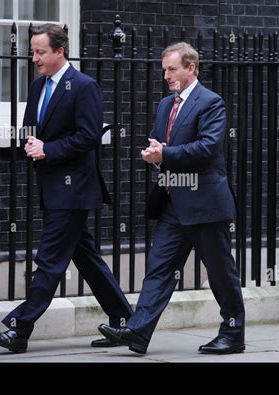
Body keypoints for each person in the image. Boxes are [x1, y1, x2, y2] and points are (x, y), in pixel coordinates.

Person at [0, 24, 133, 353]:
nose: (34, 57)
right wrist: (30, 142)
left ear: (59, 52)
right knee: (89, 259)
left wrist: (48, 149)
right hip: (52, 186)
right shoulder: (39, 87)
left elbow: (89, 136)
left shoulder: (83, 86)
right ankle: (126, 323)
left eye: (40, 52)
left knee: (50, 260)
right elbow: (30, 128)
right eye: (33, 51)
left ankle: (19, 329)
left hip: (74, 190)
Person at [96, 42, 245, 354]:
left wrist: (165, 153)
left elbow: (207, 148)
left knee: (220, 272)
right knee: (159, 266)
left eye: (172, 69)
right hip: (174, 202)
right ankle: (137, 331)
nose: (166, 75)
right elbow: (163, 146)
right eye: (164, 69)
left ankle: (233, 333)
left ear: (191, 68)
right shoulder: (166, 105)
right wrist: (156, 155)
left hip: (206, 202)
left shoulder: (211, 103)